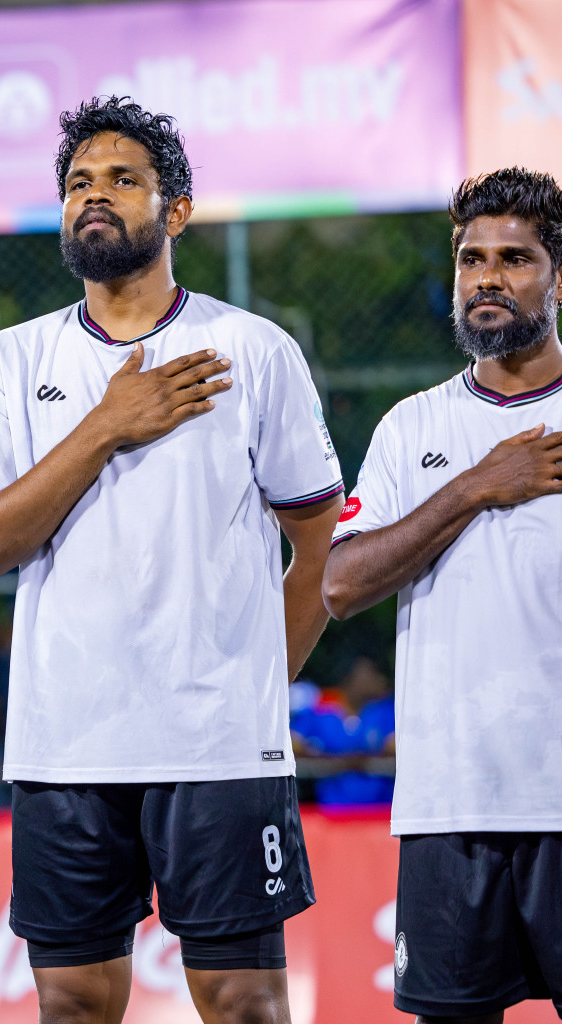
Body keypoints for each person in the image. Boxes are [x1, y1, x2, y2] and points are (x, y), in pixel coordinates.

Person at [0, 97, 343, 1024]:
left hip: (221, 752)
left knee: (245, 1001)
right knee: (76, 1006)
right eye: (80, 182)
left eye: (124, 179)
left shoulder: (251, 349)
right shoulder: (13, 360)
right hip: (65, 750)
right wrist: (107, 427)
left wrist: (250, 684)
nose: (97, 196)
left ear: (178, 209)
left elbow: (322, 546)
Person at [322, 167, 562, 1024]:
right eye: (471, 259)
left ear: (556, 279)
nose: (487, 277)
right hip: (448, 805)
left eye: (514, 259)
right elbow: (343, 584)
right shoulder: (412, 428)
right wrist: (477, 486)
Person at [289, 656, 395, 806]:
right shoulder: (320, 711)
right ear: (350, 677)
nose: (380, 680)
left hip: (380, 812)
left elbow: (397, 745)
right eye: (371, 673)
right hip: (331, 812)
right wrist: (326, 758)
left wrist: (365, 759)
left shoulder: (383, 711)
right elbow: (291, 743)